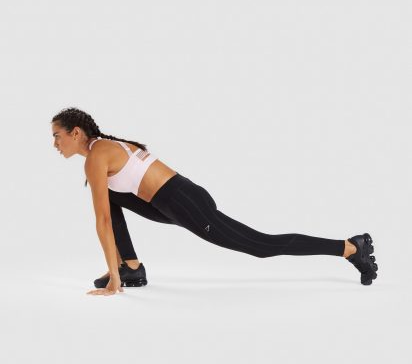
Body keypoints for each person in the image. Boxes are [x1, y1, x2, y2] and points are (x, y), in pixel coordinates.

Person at [51, 107, 378, 296]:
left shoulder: (96, 156)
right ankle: (132, 268)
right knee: (107, 194)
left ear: (76, 133)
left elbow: (103, 221)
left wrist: (112, 281)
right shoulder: (101, 151)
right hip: (174, 200)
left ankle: (350, 248)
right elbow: (108, 210)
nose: (55, 143)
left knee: (260, 245)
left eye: (57, 136)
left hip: (182, 202)